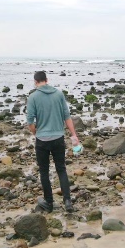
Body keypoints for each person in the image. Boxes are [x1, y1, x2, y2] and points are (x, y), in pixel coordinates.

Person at [26, 70, 79, 213]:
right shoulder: (58, 94)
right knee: (61, 169)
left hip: (42, 140)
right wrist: (73, 134)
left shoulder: (33, 97)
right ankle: (67, 201)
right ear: (47, 79)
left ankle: (49, 202)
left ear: (36, 82)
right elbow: (67, 117)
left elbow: (30, 121)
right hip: (58, 138)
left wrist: (35, 132)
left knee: (44, 171)